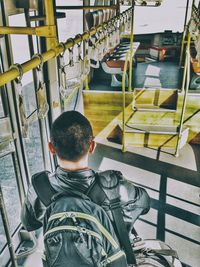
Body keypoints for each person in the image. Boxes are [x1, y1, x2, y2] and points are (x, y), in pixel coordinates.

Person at [21, 110, 150, 265]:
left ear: (51, 148)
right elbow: (145, 204)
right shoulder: (115, 187)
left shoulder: (39, 187)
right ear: (92, 146)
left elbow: (29, 223)